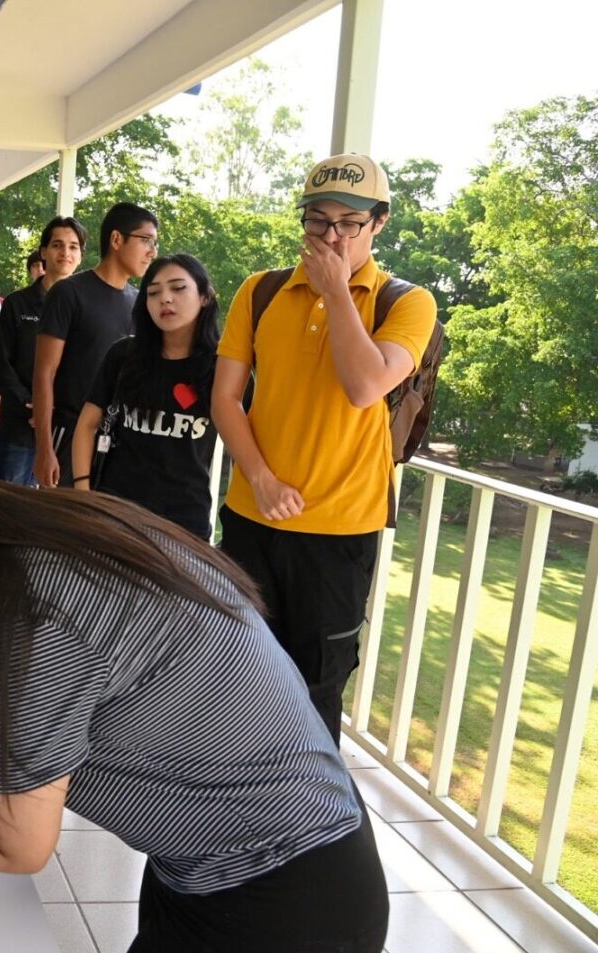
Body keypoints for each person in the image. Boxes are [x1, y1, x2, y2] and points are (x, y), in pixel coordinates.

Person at [0, 424, 389, 953]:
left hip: (285, 899)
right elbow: (44, 723)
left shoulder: (15, 610)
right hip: (236, 863)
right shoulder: (36, 540)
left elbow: (17, 842)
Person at [211, 154, 438, 743]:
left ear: (379, 223)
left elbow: (365, 385)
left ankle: (307, 829)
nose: (331, 236)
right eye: (318, 222)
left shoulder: (406, 303)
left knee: (315, 691)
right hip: (250, 518)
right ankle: (234, 814)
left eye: (349, 223)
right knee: (234, 675)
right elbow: (225, 400)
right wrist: (259, 477)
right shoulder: (260, 291)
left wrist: (338, 292)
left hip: (340, 532)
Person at [71, 253, 220, 539]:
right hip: (116, 511)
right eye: (153, 292)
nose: (165, 298)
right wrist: (84, 492)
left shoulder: (223, 367)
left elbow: (248, 441)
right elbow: (88, 424)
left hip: (185, 520)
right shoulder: (123, 356)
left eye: (178, 288)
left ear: (205, 297)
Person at [33, 202, 159, 487]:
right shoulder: (68, 293)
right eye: (145, 241)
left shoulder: (141, 302)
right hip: (68, 434)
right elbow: (44, 373)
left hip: (118, 440)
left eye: (155, 243)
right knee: (62, 525)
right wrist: (44, 448)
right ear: (116, 239)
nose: (152, 251)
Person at [0, 216, 86, 486]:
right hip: (20, 430)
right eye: (57, 245)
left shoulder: (85, 307)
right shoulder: (17, 304)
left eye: (73, 246)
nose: (65, 253)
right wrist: (31, 406)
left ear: (81, 255)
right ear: (43, 252)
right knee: (12, 509)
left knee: (59, 514)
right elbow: (0, 365)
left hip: (67, 432)